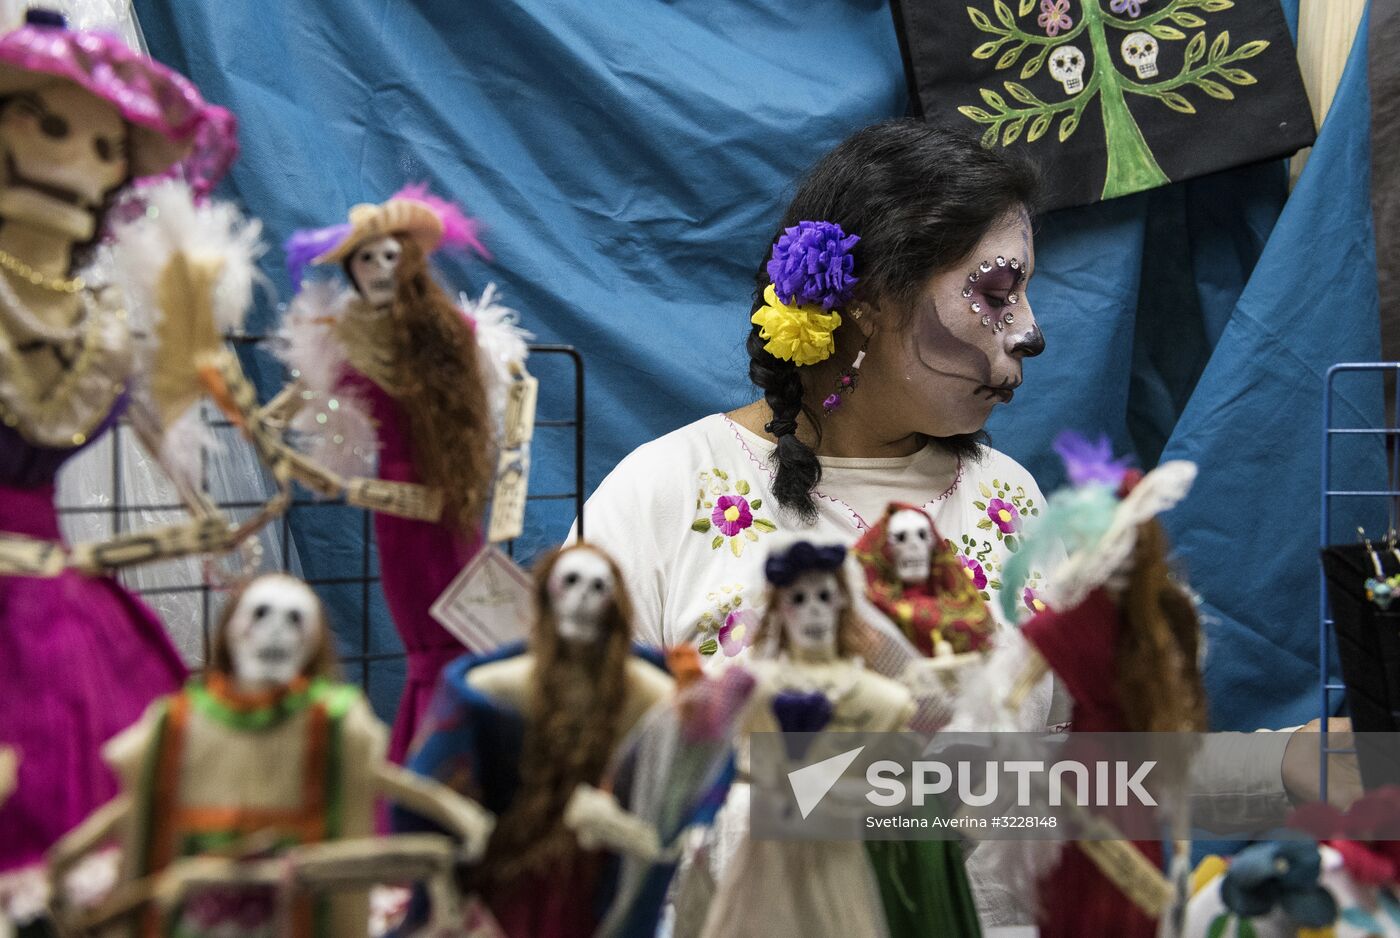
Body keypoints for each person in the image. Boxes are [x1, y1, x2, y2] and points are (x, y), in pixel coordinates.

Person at [575, 119, 1340, 929]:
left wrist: (1284, 762)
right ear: (867, 303)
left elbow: (1079, 779)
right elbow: (578, 790)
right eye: (996, 292)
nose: (1030, 333)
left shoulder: (1007, 498)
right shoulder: (664, 496)